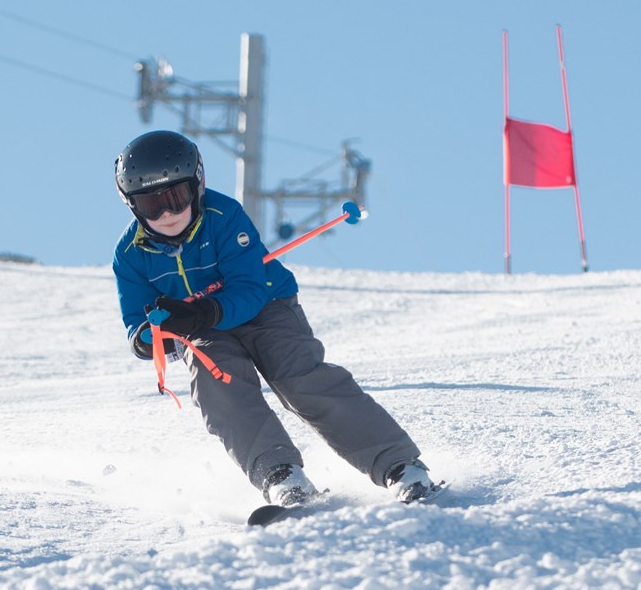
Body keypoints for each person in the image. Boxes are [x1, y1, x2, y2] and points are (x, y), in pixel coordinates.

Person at [110, 129, 438, 508]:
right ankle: (281, 474)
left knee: (300, 378)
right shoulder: (129, 254)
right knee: (217, 385)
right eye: (152, 205)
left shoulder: (224, 216)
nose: (167, 213)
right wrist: (152, 337)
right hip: (202, 333)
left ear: (197, 185)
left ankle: (401, 466)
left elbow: (249, 290)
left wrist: (204, 312)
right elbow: (136, 320)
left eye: (175, 198)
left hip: (266, 307)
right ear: (132, 205)